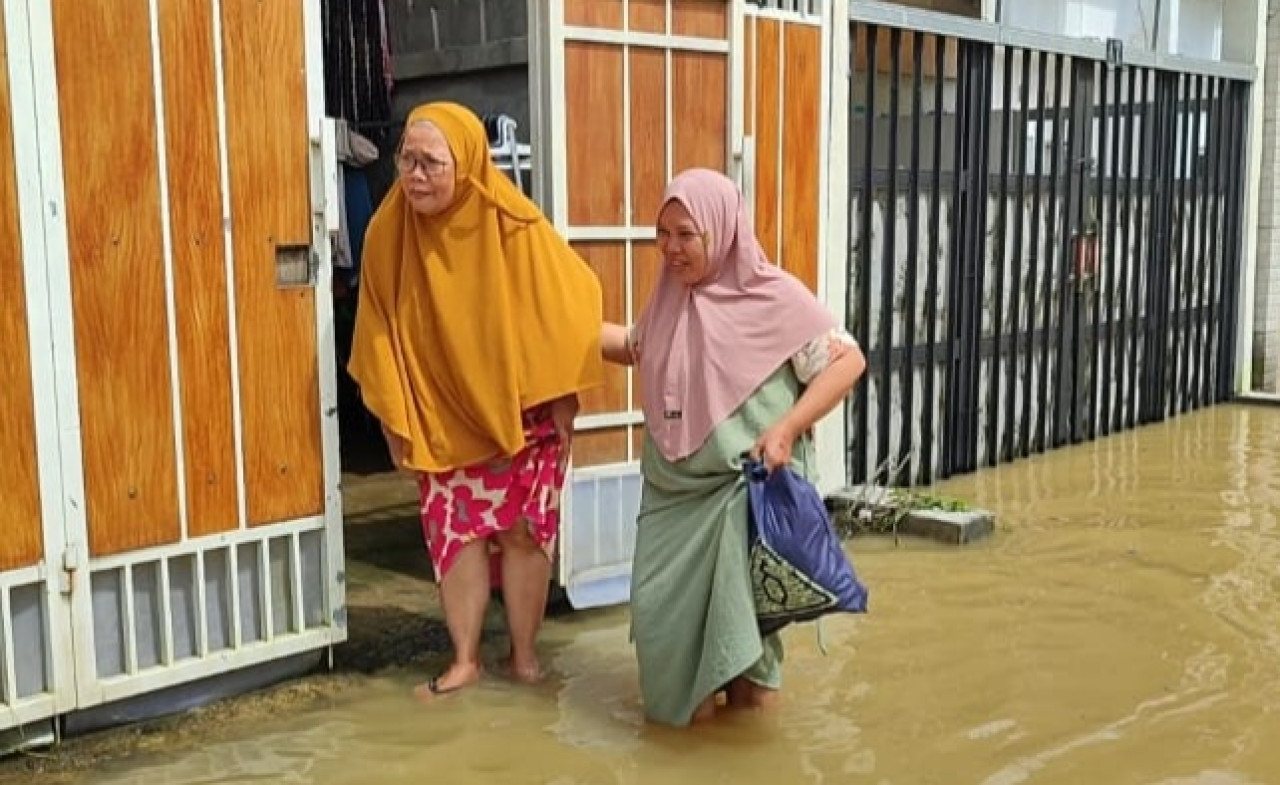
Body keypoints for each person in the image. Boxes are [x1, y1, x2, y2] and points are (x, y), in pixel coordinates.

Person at [348, 102, 604, 699]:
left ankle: (524, 657)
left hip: (523, 412)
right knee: (454, 535)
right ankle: (464, 659)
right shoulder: (387, 231)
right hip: (437, 412)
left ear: (465, 163)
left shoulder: (512, 220)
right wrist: (393, 417)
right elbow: (377, 328)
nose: (414, 175)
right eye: (406, 159)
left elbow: (569, 302)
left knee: (521, 534)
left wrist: (564, 393)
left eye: (431, 163)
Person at [600, 168, 866, 726]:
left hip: (744, 501)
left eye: (686, 234)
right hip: (674, 501)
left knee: (748, 660)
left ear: (721, 232)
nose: (671, 248)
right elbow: (632, 344)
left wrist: (787, 428)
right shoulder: (669, 300)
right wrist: (547, 322)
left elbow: (847, 362)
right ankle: (683, 744)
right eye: (663, 233)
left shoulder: (776, 298)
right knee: (662, 632)